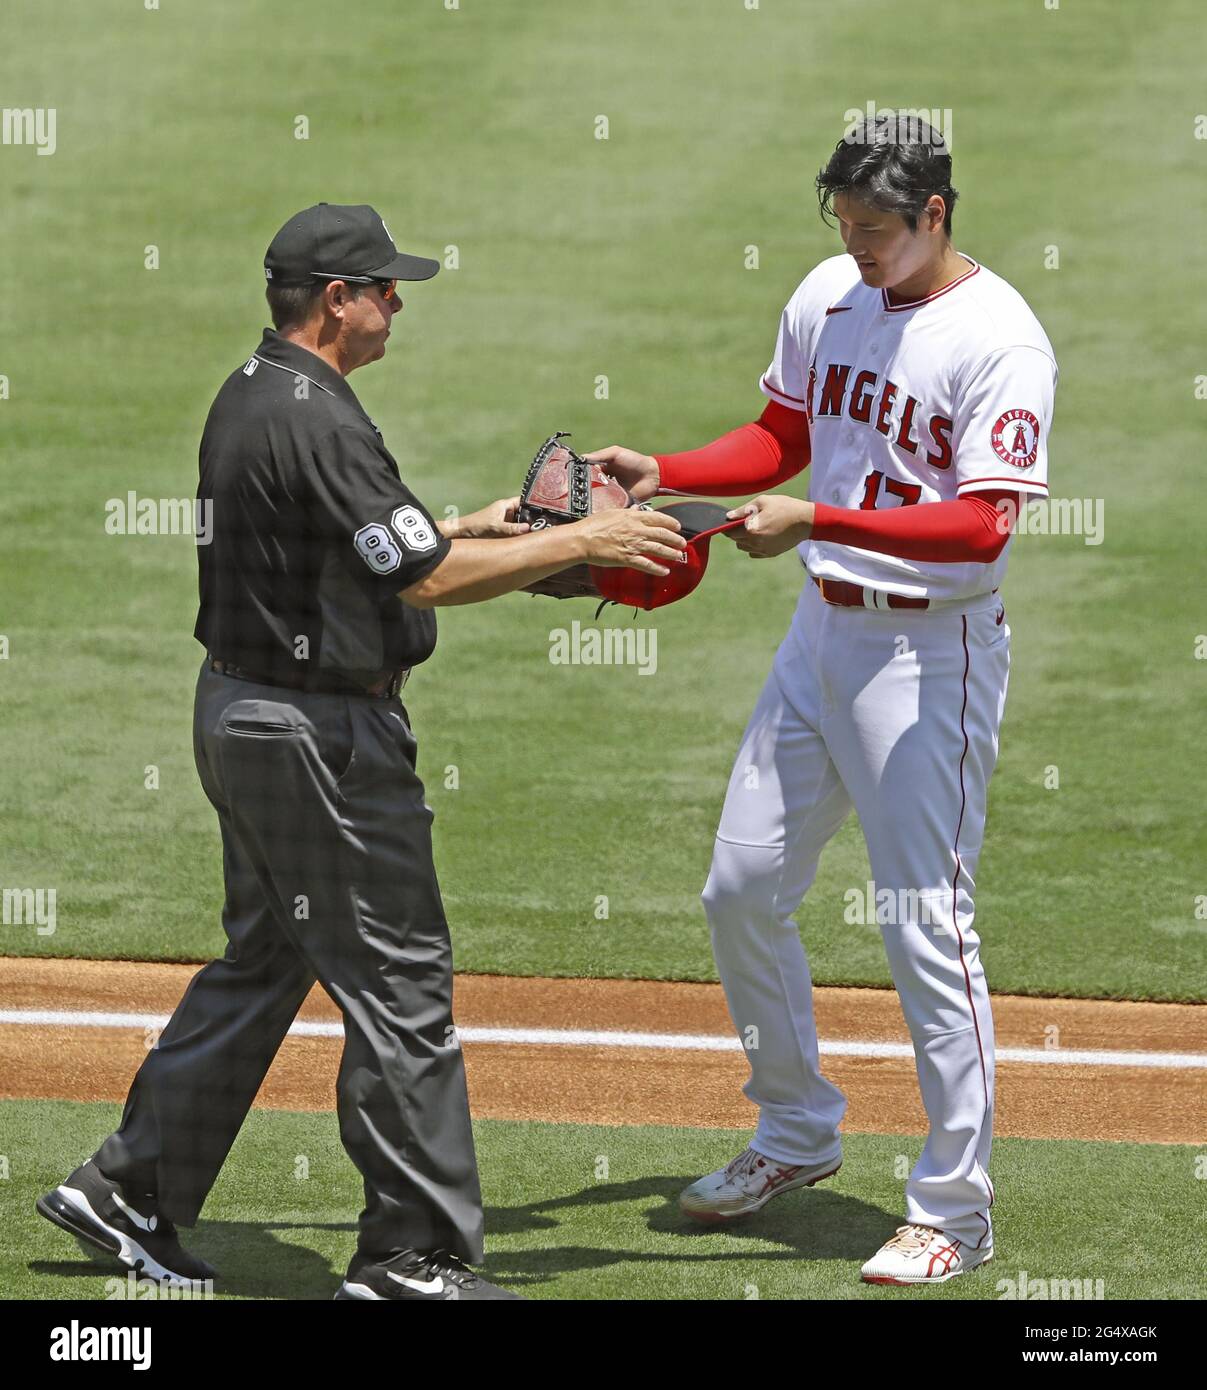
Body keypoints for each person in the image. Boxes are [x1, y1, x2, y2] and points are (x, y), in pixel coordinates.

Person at [36, 202, 685, 1302]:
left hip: (246, 715)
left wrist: (479, 527)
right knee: (399, 984)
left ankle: (130, 1187)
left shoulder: (262, 391)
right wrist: (584, 540)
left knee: (269, 959)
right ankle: (410, 1258)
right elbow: (418, 579)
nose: (396, 305)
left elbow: (375, 544)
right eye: (385, 289)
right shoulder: (319, 419)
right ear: (335, 299)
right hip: (313, 739)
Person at [589, 114, 1055, 1285]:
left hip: (929, 660)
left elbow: (983, 525)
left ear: (936, 214)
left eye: (878, 231)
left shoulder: (1000, 339)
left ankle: (954, 1206)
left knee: (922, 926)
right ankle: (794, 1132)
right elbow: (786, 432)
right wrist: (674, 471)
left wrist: (821, 519)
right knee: (741, 886)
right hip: (821, 640)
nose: (856, 248)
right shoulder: (830, 295)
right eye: (843, 225)